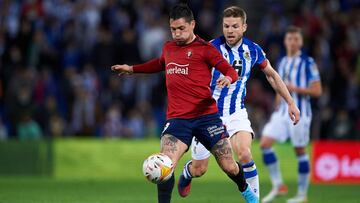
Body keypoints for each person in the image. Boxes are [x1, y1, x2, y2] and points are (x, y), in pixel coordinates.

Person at [111, 3, 258, 203]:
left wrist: (229, 78)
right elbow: (159, 63)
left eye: (182, 29)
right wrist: (132, 69)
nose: (177, 34)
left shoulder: (206, 49)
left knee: (229, 166)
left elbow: (230, 70)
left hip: (207, 117)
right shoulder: (168, 48)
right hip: (178, 119)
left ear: (192, 25)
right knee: (165, 164)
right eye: (173, 29)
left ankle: (245, 190)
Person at [177, 6, 300, 200]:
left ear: (244, 27)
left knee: (244, 154)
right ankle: (187, 173)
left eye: (235, 26)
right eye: (226, 26)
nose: (230, 30)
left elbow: (272, 76)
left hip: (236, 113)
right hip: (207, 116)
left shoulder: (253, 50)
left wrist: (290, 102)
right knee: (199, 169)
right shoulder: (209, 48)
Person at [260, 26, 322, 203]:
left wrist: (294, 89)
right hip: (281, 112)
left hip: (301, 111)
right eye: (290, 39)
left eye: (296, 39)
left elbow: (317, 91)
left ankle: (302, 194)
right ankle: (278, 185)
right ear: (285, 41)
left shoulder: (308, 62)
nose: (293, 42)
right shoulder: (282, 62)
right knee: (265, 144)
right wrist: (278, 101)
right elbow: (279, 87)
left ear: (301, 42)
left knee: (300, 150)